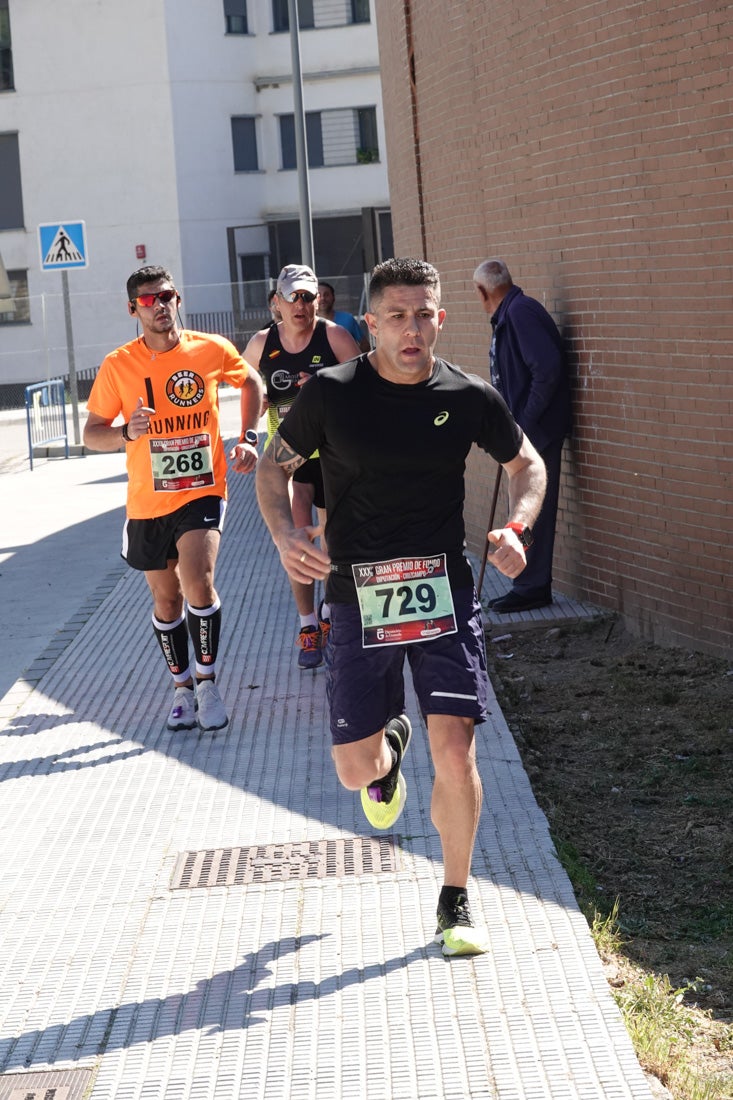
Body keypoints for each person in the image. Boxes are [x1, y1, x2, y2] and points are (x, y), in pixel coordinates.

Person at [256, 257, 546, 955]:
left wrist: (518, 525)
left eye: (423, 315)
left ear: (440, 319)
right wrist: (285, 534)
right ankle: (387, 749)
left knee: (456, 750)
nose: (411, 330)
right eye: (396, 316)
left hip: (444, 587)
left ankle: (455, 901)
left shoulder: (469, 396)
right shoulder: (332, 394)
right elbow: (273, 465)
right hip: (359, 595)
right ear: (372, 324)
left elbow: (526, 464)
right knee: (353, 771)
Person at [84, 264, 264, 732]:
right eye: (148, 300)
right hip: (147, 501)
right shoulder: (118, 364)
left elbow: (250, 382)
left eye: (166, 296)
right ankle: (181, 688)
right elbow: (92, 433)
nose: (160, 305)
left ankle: (207, 683)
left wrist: (247, 436)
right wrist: (126, 431)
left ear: (177, 299)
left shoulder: (209, 348)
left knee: (198, 581)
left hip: (202, 488)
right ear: (133, 309)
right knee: (167, 601)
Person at [243, 264, 361, 669]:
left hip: (331, 454)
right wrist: (247, 439)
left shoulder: (335, 337)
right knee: (295, 536)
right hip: (289, 459)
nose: (302, 305)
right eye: (293, 297)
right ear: (277, 302)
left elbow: (367, 391)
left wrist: (329, 389)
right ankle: (307, 624)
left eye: (308, 296)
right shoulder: (261, 345)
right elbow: (249, 401)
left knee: (330, 537)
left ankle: (330, 614)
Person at [473, 259, 572, 612]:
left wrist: (523, 425)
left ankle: (532, 586)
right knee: (523, 507)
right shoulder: (510, 314)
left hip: (538, 431)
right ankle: (526, 581)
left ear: (484, 291)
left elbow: (547, 369)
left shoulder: (520, 313)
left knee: (534, 510)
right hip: (526, 431)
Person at [318, 280, 370, 351]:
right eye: (318, 295)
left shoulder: (347, 319)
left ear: (333, 298)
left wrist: (353, 359)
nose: (322, 298)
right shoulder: (307, 324)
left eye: (326, 295)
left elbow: (365, 345)